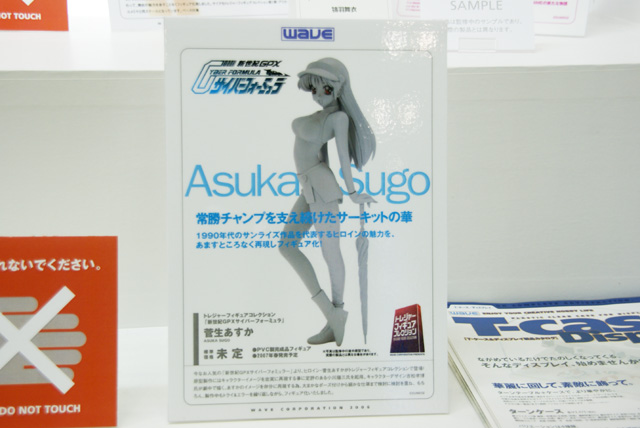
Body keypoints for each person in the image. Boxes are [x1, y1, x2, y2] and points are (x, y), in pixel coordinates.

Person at [279, 58, 376, 346]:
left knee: (330, 252)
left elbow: (344, 160)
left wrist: (352, 191)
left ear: (339, 88)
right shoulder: (320, 117)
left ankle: (337, 312)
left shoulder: (339, 118)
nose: (320, 96)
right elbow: (324, 157)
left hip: (322, 189)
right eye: (314, 90)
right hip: (309, 186)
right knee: (286, 245)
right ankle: (332, 315)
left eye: (326, 89)